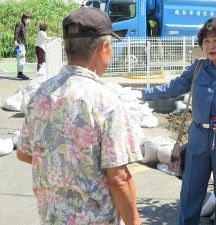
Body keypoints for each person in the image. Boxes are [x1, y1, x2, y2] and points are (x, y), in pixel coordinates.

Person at [17, 7, 142, 225]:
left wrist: (62, 168)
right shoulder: (106, 102)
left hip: (52, 217)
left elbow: (25, 153)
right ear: (103, 48)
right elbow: (119, 179)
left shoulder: (41, 94)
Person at [141, 17, 216, 225]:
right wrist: (143, 94)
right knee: (190, 192)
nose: (210, 46)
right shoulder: (199, 68)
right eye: (206, 41)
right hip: (197, 138)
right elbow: (174, 87)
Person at [14, 13, 30, 80]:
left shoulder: (23, 24)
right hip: (20, 44)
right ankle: (20, 73)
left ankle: (19, 73)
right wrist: (15, 40)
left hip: (21, 44)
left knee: (20, 59)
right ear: (24, 18)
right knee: (21, 58)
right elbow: (16, 32)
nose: (28, 20)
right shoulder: (20, 24)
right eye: (28, 18)